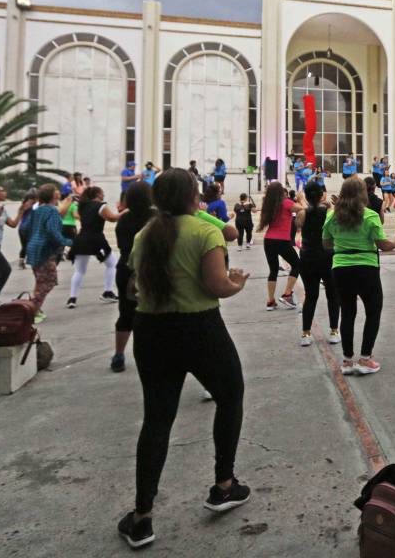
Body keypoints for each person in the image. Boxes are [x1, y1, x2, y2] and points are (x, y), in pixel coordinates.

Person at [117, 169, 252, 549]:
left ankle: (142, 516)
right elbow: (216, 286)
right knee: (230, 397)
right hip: (200, 329)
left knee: (157, 420)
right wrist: (238, 281)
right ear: (194, 196)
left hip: (152, 331)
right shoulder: (204, 231)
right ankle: (224, 485)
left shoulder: (146, 234)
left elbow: (132, 286)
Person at [323, 177, 395, 375]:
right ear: (362, 194)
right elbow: (383, 245)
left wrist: (344, 246)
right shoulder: (369, 216)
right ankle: (365, 358)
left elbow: (326, 244)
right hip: (366, 269)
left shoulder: (332, 216)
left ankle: (347, 361)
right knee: (373, 311)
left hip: (341, 268)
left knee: (348, 313)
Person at [111, 181, 153, 373]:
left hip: (126, 269)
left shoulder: (123, 220)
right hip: (150, 270)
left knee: (126, 312)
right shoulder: (156, 218)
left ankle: (119, 354)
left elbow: (121, 245)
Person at [296, 182, 340, 347]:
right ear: (322, 195)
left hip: (308, 257)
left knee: (311, 295)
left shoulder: (302, 213)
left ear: (307, 196)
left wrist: (303, 204)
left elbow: (296, 228)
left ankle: (306, 333)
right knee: (332, 294)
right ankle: (334, 330)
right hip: (328, 256)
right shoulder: (330, 212)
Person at [24, 185, 74, 323]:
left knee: (40, 281)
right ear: (54, 196)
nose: (58, 193)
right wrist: (68, 242)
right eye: (56, 191)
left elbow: (26, 227)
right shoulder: (52, 211)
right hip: (45, 250)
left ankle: (32, 308)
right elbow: (53, 231)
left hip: (34, 247)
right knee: (49, 281)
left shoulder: (38, 210)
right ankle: (31, 310)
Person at [67, 186, 122, 308]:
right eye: (102, 193)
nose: (104, 195)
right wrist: (126, 211)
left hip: (81, 239)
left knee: (80, 270)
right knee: (112, 263)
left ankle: (72, 298)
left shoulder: (83, 206)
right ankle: (107, 292)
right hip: (96, 239)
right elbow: (112, 218)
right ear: (98, 195)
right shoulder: (101, 205)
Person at [256, 182, 302, 310]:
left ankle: (270, 301)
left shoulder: (268, 205)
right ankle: (287, 294)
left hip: (269, 240)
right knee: (297, 264)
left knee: (273, 270)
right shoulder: (286, 202)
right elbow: (302, 210)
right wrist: (300, 199)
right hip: (282, 240)